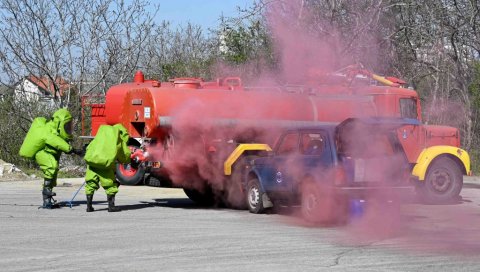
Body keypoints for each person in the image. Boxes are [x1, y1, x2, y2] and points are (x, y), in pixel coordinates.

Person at [19, 108, 83, 209]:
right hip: (41, 152)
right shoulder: (48, 129)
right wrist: (72, 149)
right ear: (59, 124)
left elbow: (58, 142)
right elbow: (54, 140)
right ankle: (46, 195)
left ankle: (47, 200)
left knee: (53, 174)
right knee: (51, 166)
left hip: (49, 152)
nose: (68, 128)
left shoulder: (57, 132)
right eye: (66, 125)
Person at [83, 124, 143, 212]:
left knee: (90, 183)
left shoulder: (101, 135)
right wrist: (130, 160)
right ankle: (111, 206)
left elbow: (89, 147)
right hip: (104, 164)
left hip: (92, 163)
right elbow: (124, 156)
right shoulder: (117, 139)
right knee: (110, 184)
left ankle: (89, 206)